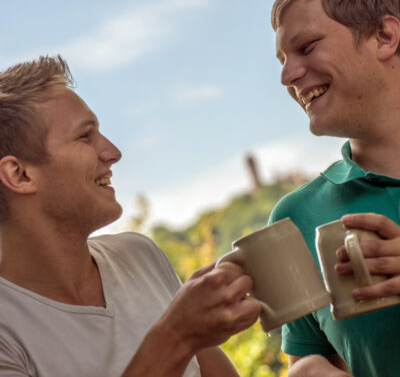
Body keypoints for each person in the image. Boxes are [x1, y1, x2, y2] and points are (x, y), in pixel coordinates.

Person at [0, 55, 262, 377]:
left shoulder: (140, 255)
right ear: (20, 174)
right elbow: (177, 338)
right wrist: (175, 336)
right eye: (85, 136)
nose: (113, 152)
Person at [268, 0, 400, 376]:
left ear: (384, 35)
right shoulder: (293, 219)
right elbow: (314, 359)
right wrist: (307, 370)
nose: (287, 76)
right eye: (282, 60)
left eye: (306, 47)